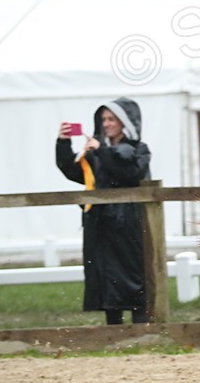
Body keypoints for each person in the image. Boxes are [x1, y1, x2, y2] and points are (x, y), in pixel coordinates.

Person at [56, 98, 152, 325]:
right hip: (100, 224)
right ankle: (113, 332)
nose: (106, 124)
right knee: (106, 277)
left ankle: (141, 328)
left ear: (124, 122)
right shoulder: (96, 152)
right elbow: (73, 171)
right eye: (104, 119)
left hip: (129, 224)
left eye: (111, 119)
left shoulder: (139, 149)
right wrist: (62, 143)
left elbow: (130, 173)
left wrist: (102, 152)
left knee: (133, 275)